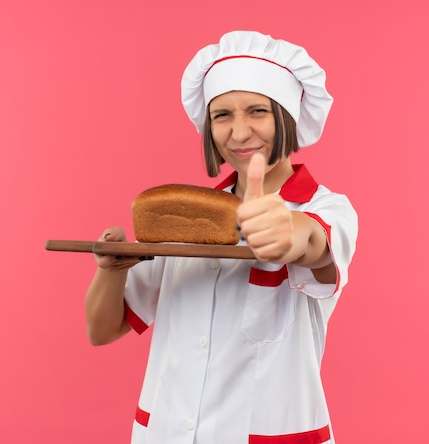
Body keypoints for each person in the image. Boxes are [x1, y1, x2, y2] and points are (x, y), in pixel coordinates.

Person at [85, 30, 358, 444]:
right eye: (222, 115)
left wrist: (290, 233)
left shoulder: (326, 210)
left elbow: (315, 245)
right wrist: (111, 270)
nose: (240, 133)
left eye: (257, 111)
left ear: (287, 116)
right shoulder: (186, 218)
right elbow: (101, 330)